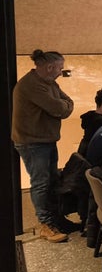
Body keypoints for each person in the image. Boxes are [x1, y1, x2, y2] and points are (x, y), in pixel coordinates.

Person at [11, 49, 76, 242]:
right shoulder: (32, 85)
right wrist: (63, 106)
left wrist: (64, 105)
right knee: (40, 183)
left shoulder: (49, 83)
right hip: (33, 143)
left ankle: (56, 220)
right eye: (60, 68)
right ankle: (45, 225)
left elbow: (68, 103)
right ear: (49, 67)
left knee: (52, 181)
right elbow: (59, 108)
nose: (61, 72)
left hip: (45, 140)